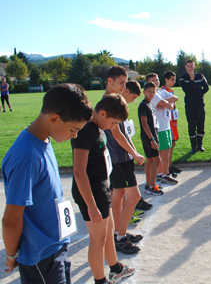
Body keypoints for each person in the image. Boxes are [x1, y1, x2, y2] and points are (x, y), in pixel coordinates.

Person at [2, 83, 92, 284]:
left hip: (54, 247)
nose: (75, 135)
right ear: (54, 119)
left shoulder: (44, 138)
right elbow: (11, 220)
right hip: (41, 257)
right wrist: (10, 255)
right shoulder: (27, 156)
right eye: (73, 129)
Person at [71, 94, 135, 284]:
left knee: (108, 233)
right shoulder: (85, 132)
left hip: (101, 188)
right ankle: (100, 281)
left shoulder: (98, 128)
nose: (113, 127)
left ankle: (116, 268)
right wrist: (91, 205)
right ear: (102, 113)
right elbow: (79, 172)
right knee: (97, 240)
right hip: (90, 192)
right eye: (113, 122)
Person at [108, 80, 145, 254]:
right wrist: (134, 154)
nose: (123, 88)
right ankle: (120, 237)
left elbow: (124, 133)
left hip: (122, 157)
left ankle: (118, 233)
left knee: (119, 194)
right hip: (118, 158)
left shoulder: (118, 103)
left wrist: (134, 152)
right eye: (121, 84)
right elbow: (116, 135)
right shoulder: (112, 104)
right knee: (134, 196)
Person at [146, 73, 179, 184]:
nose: (156, 82)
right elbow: (164, 103)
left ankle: (161, 173)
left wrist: (166, 102)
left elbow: (176, 97)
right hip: (159, 127)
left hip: (166, 125)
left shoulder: (161, 92)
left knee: (166, 150)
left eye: (157, 79)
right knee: (163, 152)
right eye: (152, 80)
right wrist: (167, 103)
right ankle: (164, 174)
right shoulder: (153, 94)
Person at [138, 82, 164, 196]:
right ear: (144, 92)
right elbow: (144, 124)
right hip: (149, 137)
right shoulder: (143, 105)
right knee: (157, 160)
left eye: (153, 92)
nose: (152, 94)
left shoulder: (149, 104)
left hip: (152, 136)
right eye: (149, 92)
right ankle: (151, 186)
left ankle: (149, 184)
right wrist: (152, 139)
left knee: (149, 160)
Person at [179, 60, 209, 154]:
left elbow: (206, 88)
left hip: (200, 104)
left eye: (192, 66)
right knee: (191, 125)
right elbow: (186, 90)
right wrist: (191, 80)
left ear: (194, 67)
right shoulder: (183, 78)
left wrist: (199, 94)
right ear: (186, 67)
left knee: (201, 124)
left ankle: (200, 145)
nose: (190, 68)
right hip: (189, 105)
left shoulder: (200, 76)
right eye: (189, 66)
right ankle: (193, 146)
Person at [162, 71, 183, 176]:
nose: (174, 81)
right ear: (166, 79)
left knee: (173, 143)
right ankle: (166, 167)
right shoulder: (163, 91)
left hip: (173, 120)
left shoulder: (171, 91)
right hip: (167, 121)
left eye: (175, 79)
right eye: (172, 79)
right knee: (169, 144)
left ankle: (170, 165)